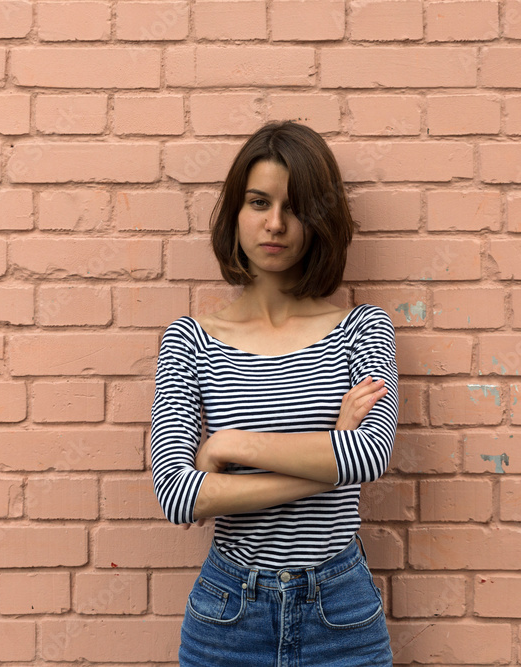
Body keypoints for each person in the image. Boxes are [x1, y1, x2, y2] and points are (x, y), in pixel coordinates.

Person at [150, 120, 399, 666]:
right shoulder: (192, 341)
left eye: (295, 207)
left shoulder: (363, 329)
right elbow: (177, 494)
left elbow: (370, 456)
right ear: (235, 213)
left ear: (320, 220)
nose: (276, 224)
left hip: (342, 616)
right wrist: (327, 455)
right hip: (227, 617)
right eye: (259, 202)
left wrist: (229, 445)